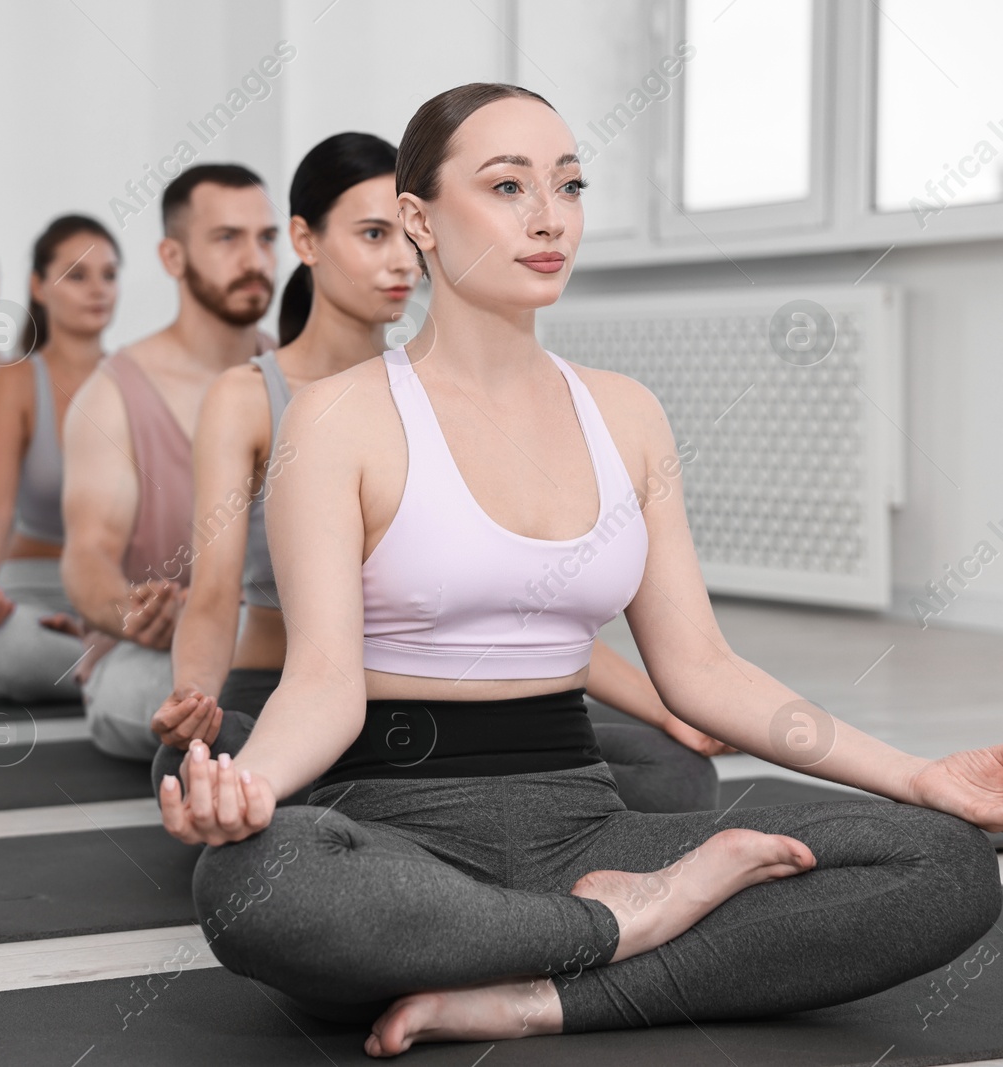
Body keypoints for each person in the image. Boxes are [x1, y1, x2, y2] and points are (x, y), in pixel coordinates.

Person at [159, 83, 1002, 1056]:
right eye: (507, 185)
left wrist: (918, 776)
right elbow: (320, 683)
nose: (549, 215)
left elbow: (703, 669)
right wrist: (241, 786)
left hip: (584, 823)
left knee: (941, 862)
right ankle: (619, 931)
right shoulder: (338, 416)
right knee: (254, 883)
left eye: (567, 182)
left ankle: (536, 991)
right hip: (394, 827)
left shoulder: (626, 413)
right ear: (419, 219)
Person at [149, 132, 735, 814]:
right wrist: (192, 696)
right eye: (373, 235)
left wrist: (670, 710)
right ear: (306, 243)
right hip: (286, 695)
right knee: (193, 769)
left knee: (678, 774)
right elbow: (214, 594)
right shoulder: (250, 397)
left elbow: (519, 608)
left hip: (453, 715)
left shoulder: (449, 394)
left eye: (405, 236)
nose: (402, 260)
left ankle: (436, 839)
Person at [61, 163, 278, 759]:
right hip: (154, 652)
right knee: (198, 707)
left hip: (276, 640)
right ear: (173, 257)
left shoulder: (295, 374)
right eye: (227, 238)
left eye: (266, 238)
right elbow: (88, 551)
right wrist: (128, 612)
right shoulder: (111, 395)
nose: (255, 259)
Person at [0, 215, 120, 701]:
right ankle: (111, 671)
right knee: (2, 651)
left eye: (109, 275)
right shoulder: (18, 380)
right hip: (35, 589)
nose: (98, 290)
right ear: (38, 285)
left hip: (113, 592)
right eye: (77, 275)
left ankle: (108, 655)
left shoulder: (136, 378)